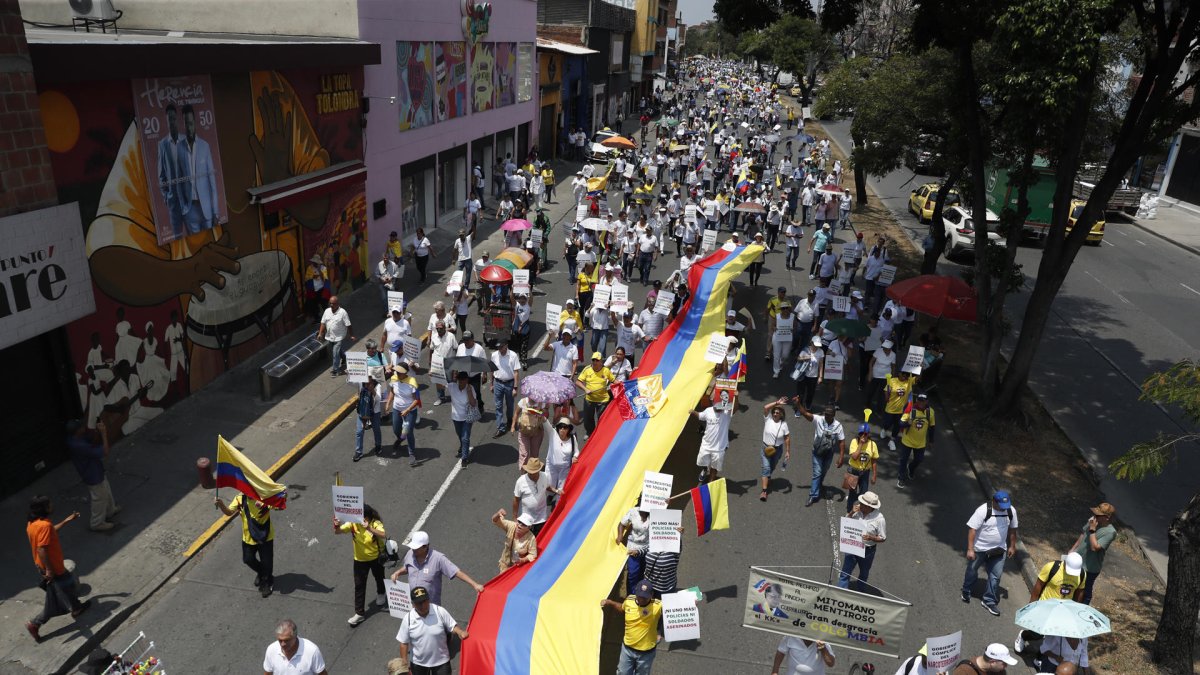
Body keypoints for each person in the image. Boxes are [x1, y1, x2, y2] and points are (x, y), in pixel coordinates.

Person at [24, 496, 89, 642]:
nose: (52, 505)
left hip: (42, 566)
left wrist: (66, 521)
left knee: (65, 588)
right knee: (63, 590)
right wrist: (50, 570)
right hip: (53, 567)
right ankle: (35, 623)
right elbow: (41, 549)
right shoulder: (44, 526)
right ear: (44, 508)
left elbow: (50, 533)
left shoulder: (33, 523)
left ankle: (76, 608)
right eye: (49, 504)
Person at [1015, 552, 1088, 655]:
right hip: (1045, 607)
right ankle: (1023, 635)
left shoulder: (1081, 574)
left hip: (1062, 611)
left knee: (1053, 638)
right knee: (1037, 634)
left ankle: (1039, 658)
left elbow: (1080, 591)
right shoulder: (1052, 567)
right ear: (1065, 563)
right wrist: (1031, 607)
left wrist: (1074, 610)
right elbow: (1038, 586)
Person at [962, 490, 1019, 616]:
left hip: (999, 550)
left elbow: (1013, 529)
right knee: (972, 571)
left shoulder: (1011, 510)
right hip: (980, 549)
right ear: (994, 501)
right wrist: (970, 549)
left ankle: (989, 600)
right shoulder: (982, 511)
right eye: (1001, 506)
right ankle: (966, 590)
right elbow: (972, 530)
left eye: (1006, 506)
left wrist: (1012, 546)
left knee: (996, 576)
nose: (1004, 509)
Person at [390, 531, 483, 607]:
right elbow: (408, 568)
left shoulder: (438, 559)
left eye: (416, 548)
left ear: (426, 546)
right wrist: (398, 572)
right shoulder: (410, 553)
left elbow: (456, 572)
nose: (414, 550)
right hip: (414, 605)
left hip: (431, 607)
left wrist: (475, 585)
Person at [215, 489, 276, 597]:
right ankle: (262, 573)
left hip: (265, 537)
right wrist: (221, 505)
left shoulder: (264, 497)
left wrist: (265, 503)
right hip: (248, 538)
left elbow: (279, 505)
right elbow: (229, 512)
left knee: (267, 562)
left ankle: (267, 582)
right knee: (248, 559)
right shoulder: (240, 498)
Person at [334, 504, 388, 627]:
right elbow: (338, 532)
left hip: (376, 558)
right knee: (359, 586)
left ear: (368, 517)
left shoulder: (375, 523)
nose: (360, 520)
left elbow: (383, 534)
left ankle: (381, 593)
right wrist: (336, 525)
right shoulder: (353, 523)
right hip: (359, 560)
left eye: (364, 518)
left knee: (379, 578)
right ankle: (359, 613)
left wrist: (369, 528)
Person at [395, 586, 469, 675]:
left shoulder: (439, 611)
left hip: (441, 662)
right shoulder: (408, 619)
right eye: (419, 603)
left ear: (429, 600)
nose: (423, 605)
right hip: (418, 663)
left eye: (425, 601)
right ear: (413, 604)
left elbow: (452, 626)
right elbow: (403, 643)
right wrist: (404, 664)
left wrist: (460, 632)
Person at [66, 419, 120, 531]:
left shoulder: (73, 439)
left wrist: (96, 432)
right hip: (92, 474)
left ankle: (110, 510)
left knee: (106, 490)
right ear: (78, 431)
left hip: (95, 470)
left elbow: (89, 438)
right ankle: (97, 523)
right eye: (82, 427)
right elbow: (105, 452)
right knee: (99, 498)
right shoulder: (80, 445)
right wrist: (104, 434)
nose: (84, 428)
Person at [601, 580, 663, 675]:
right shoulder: (629, 601)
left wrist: (692, 603)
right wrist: (610, 602)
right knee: (622, 672)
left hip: (646, 653)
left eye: (645, 597)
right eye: (640, 596)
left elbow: (676, 608)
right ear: (635, 592)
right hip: (627, 650)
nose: (641, 599)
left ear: (651, 595)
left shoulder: (658, 605)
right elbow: (622, 607)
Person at [793, 402, 846, 507]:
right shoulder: (819, 419)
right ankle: (813, 495)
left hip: (828, 453)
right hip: (817, 452)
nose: (826, 416)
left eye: (829, 414)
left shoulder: (838, 426)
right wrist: (798, 404)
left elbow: (842, 442)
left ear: (834, 415)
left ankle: (818, 483)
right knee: (817, 472)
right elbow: (806, 414)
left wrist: (841, 457)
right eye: (826, 413)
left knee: (823, 471)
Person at [1069, 502, 1116, 605]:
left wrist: (1092, 530)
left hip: (1090, 567)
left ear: (1107, 517)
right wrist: (1072, 550)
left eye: (1098, 515)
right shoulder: (1092, 521)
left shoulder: (1110, 532)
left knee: (1085, 592)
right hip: (1077, 561)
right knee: (1072, 587)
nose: (1095, 516)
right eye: (1095, 513)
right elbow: (1082, 535)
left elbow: (1094, 547)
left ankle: (1082, 610)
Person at [838, 491, 886, 591]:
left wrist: (871, 538)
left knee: (863, 575)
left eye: (862, 504)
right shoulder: (857, 511)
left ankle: (860, 596)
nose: (859, 504)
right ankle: (840, 595)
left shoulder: (879, 519)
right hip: (853, 546)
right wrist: (851, 512)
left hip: (867, 551)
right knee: (845, 573)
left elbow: (882, 538)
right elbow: (846, 522)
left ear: (869, 507)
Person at [896, 393, 935, 488]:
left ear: (927, 401)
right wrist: (907, 423)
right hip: (907, 441)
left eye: (924, 401)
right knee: (903, 460)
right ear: (917, 400)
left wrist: (931, 441)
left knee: (919, 459)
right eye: (920, 400)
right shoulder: (910, 410)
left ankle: (911, 468)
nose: (921, 403)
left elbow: (932, 426)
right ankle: (901, 477)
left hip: (920, 443)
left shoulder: (930, 412)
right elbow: (901, 424)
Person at [263, 619, 327, 675]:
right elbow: (268, 672)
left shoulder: (312, 651)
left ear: (295, 637)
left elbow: (322, 673)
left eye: (286, 640)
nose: (282, 644)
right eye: (280, 640)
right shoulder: (271, 650)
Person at [689, 401, 732, 484]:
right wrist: (693, 412)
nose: (718, 409)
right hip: (706, 444)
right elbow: (700, 416)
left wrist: (736, 396)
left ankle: (710, 483)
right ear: (714, 404)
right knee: (702, 461)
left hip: (719, 447)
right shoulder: (708, 410)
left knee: (715, 466)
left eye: (720, 407)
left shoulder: (727, 412)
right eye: (716, 407)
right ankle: (705, 469)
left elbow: (736, 408)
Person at [840, 422, 878, 513]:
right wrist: (860, 444)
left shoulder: (873, 445)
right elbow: (854, 457)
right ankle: (849, 512)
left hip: (865, 472)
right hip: (853, 470)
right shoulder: (854, 442)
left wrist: (874, 475)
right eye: (861, 434)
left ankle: (860, 512)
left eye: (865, 434)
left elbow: (874, 461)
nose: (862, 436)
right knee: (852, 494)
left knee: (863, 494)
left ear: (868, 434)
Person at [759, 399, 792, 501]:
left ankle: (768, 477)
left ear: (781, 414)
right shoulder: (768, 419)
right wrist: (777, 403)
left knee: (772, 467)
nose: (775, 414)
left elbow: (787, 438)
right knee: (766, 468)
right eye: (774, 412)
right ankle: (764, 492)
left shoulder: (784, 424)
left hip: (777, 450)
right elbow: (765, 407)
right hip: (765, 448)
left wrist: (787, 451)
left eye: (777, 412)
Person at [513, 457, 556, 536]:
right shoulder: (520, 481)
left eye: (534, 472)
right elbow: (516, 499)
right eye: (530, 472)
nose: (532, 474)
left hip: (542, 518)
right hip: (525, 519)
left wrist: (556, 491)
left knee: (540, 539)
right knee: (525, 541)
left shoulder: (544, 476)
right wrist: (515, 517)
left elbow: (547, 487)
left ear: (539, 470)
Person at [577, 352, 615, 437]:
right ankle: (590, 433)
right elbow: (578, 382)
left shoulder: (606, 371)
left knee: (602, 419)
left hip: (603, 400)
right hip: (589, 400)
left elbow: (614, 380)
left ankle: (600, 435)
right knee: (588, 419)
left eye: (597, 360)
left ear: (601, 361)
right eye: (593, 360)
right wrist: (585, 389)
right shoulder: (587, 369)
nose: (594, 362)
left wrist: (619, 383)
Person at [491, 340, 522, 438]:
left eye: (501, 347)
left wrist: (515, 388)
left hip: (509, 384)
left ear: (506, 346)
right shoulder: (494, 355)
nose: (499, 349)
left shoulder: (513, 356)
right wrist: (491, 384)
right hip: (498, 383)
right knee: (498, 406)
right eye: (498, 348)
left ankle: (509, 419)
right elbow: (492, 369)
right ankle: (500, 427)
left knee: (510, 405)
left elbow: (516, 372)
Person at [617, 504, 651, 593]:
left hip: (648, 548)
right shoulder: (633, 511)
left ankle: (642, 595)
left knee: (644, 573)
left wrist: (666, 504)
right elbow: (621, 524)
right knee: (633, 573)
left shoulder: (656, 513)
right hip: (633, 547)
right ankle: (631, 596)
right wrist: (620, 535)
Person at [318, 295, 353, 376]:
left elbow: (348, 325)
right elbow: (323, 323)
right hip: (329, 336)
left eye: (333, 303)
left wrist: (351, 335)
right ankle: (345, 358)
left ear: (337, 304)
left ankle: (335, 370)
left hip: (339, 337)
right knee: (338, 351)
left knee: (335, 353)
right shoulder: (327, 311)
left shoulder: (343, 312)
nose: (331, 305)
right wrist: (320, 333)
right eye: (330, 303)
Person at [448, 371, 478, 466]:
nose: (461, 383)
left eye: (463, 381)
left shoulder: (471, 388)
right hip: (456, 417)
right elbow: (440, 386)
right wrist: (434, 376)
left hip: (467, 417)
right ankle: (463, 446)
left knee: (465, 437)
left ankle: (464, 458)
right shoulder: (452, 386)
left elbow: (473, 403)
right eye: (460, 381)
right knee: (460, 434)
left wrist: (469, 392)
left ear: (467, 380)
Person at [545, 417, 581, 493]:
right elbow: (546, 423)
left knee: (561, 489)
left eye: (565, 427)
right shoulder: (553, 433)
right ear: (558, 428)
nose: (562, 429)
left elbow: (576, 451)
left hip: (565, 468)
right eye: (560, 426)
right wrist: (541, 415)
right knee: (549, 485)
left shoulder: (572, 438)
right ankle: (551, 496)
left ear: (568, 429)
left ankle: (558, 503)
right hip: (551, 466)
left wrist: (574, 457)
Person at [771, 637, 835, 675]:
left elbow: (831, 663)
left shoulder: (823, 642)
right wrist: (775, 671)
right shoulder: (791, 637)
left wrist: (823, 649)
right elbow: (781, 651)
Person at [950, 644, 1019, 673]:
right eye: (1004, 663)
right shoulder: (963, 672)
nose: (1006, 666)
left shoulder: (999, 672)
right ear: (993, 662)